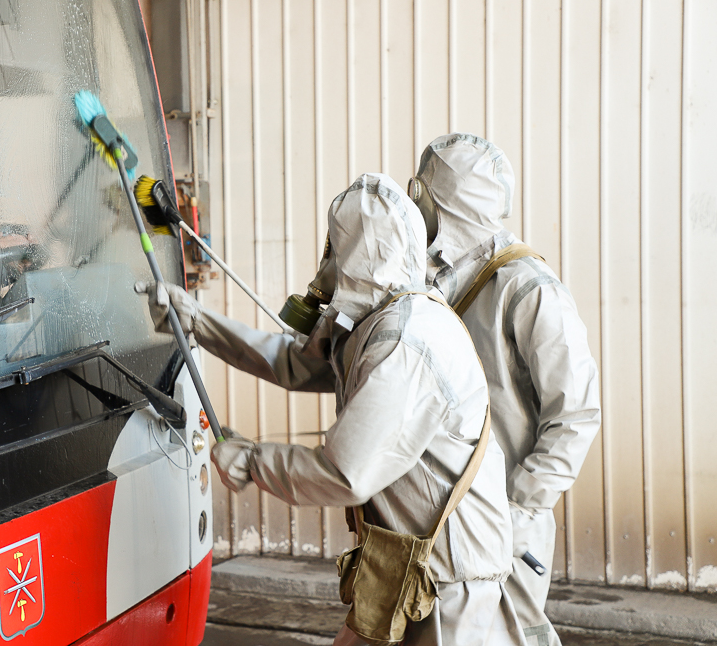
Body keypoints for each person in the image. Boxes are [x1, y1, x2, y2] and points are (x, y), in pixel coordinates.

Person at [142, 174, 524, 645]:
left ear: (361, 254)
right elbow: (294, 362)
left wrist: (251, 461)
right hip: (406, 570)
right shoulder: (383, 319)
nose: (326, 263)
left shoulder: (406, 343)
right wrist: (197, 321)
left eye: (334, 248)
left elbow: (346, 473)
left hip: (451, 586)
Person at [411, 133, 602, 646]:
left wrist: (516, 512)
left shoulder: (525, 287)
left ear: (444, 201)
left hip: (505, 529)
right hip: (449, 525)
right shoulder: (442, 281)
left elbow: (578, 413)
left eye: (423, 194)